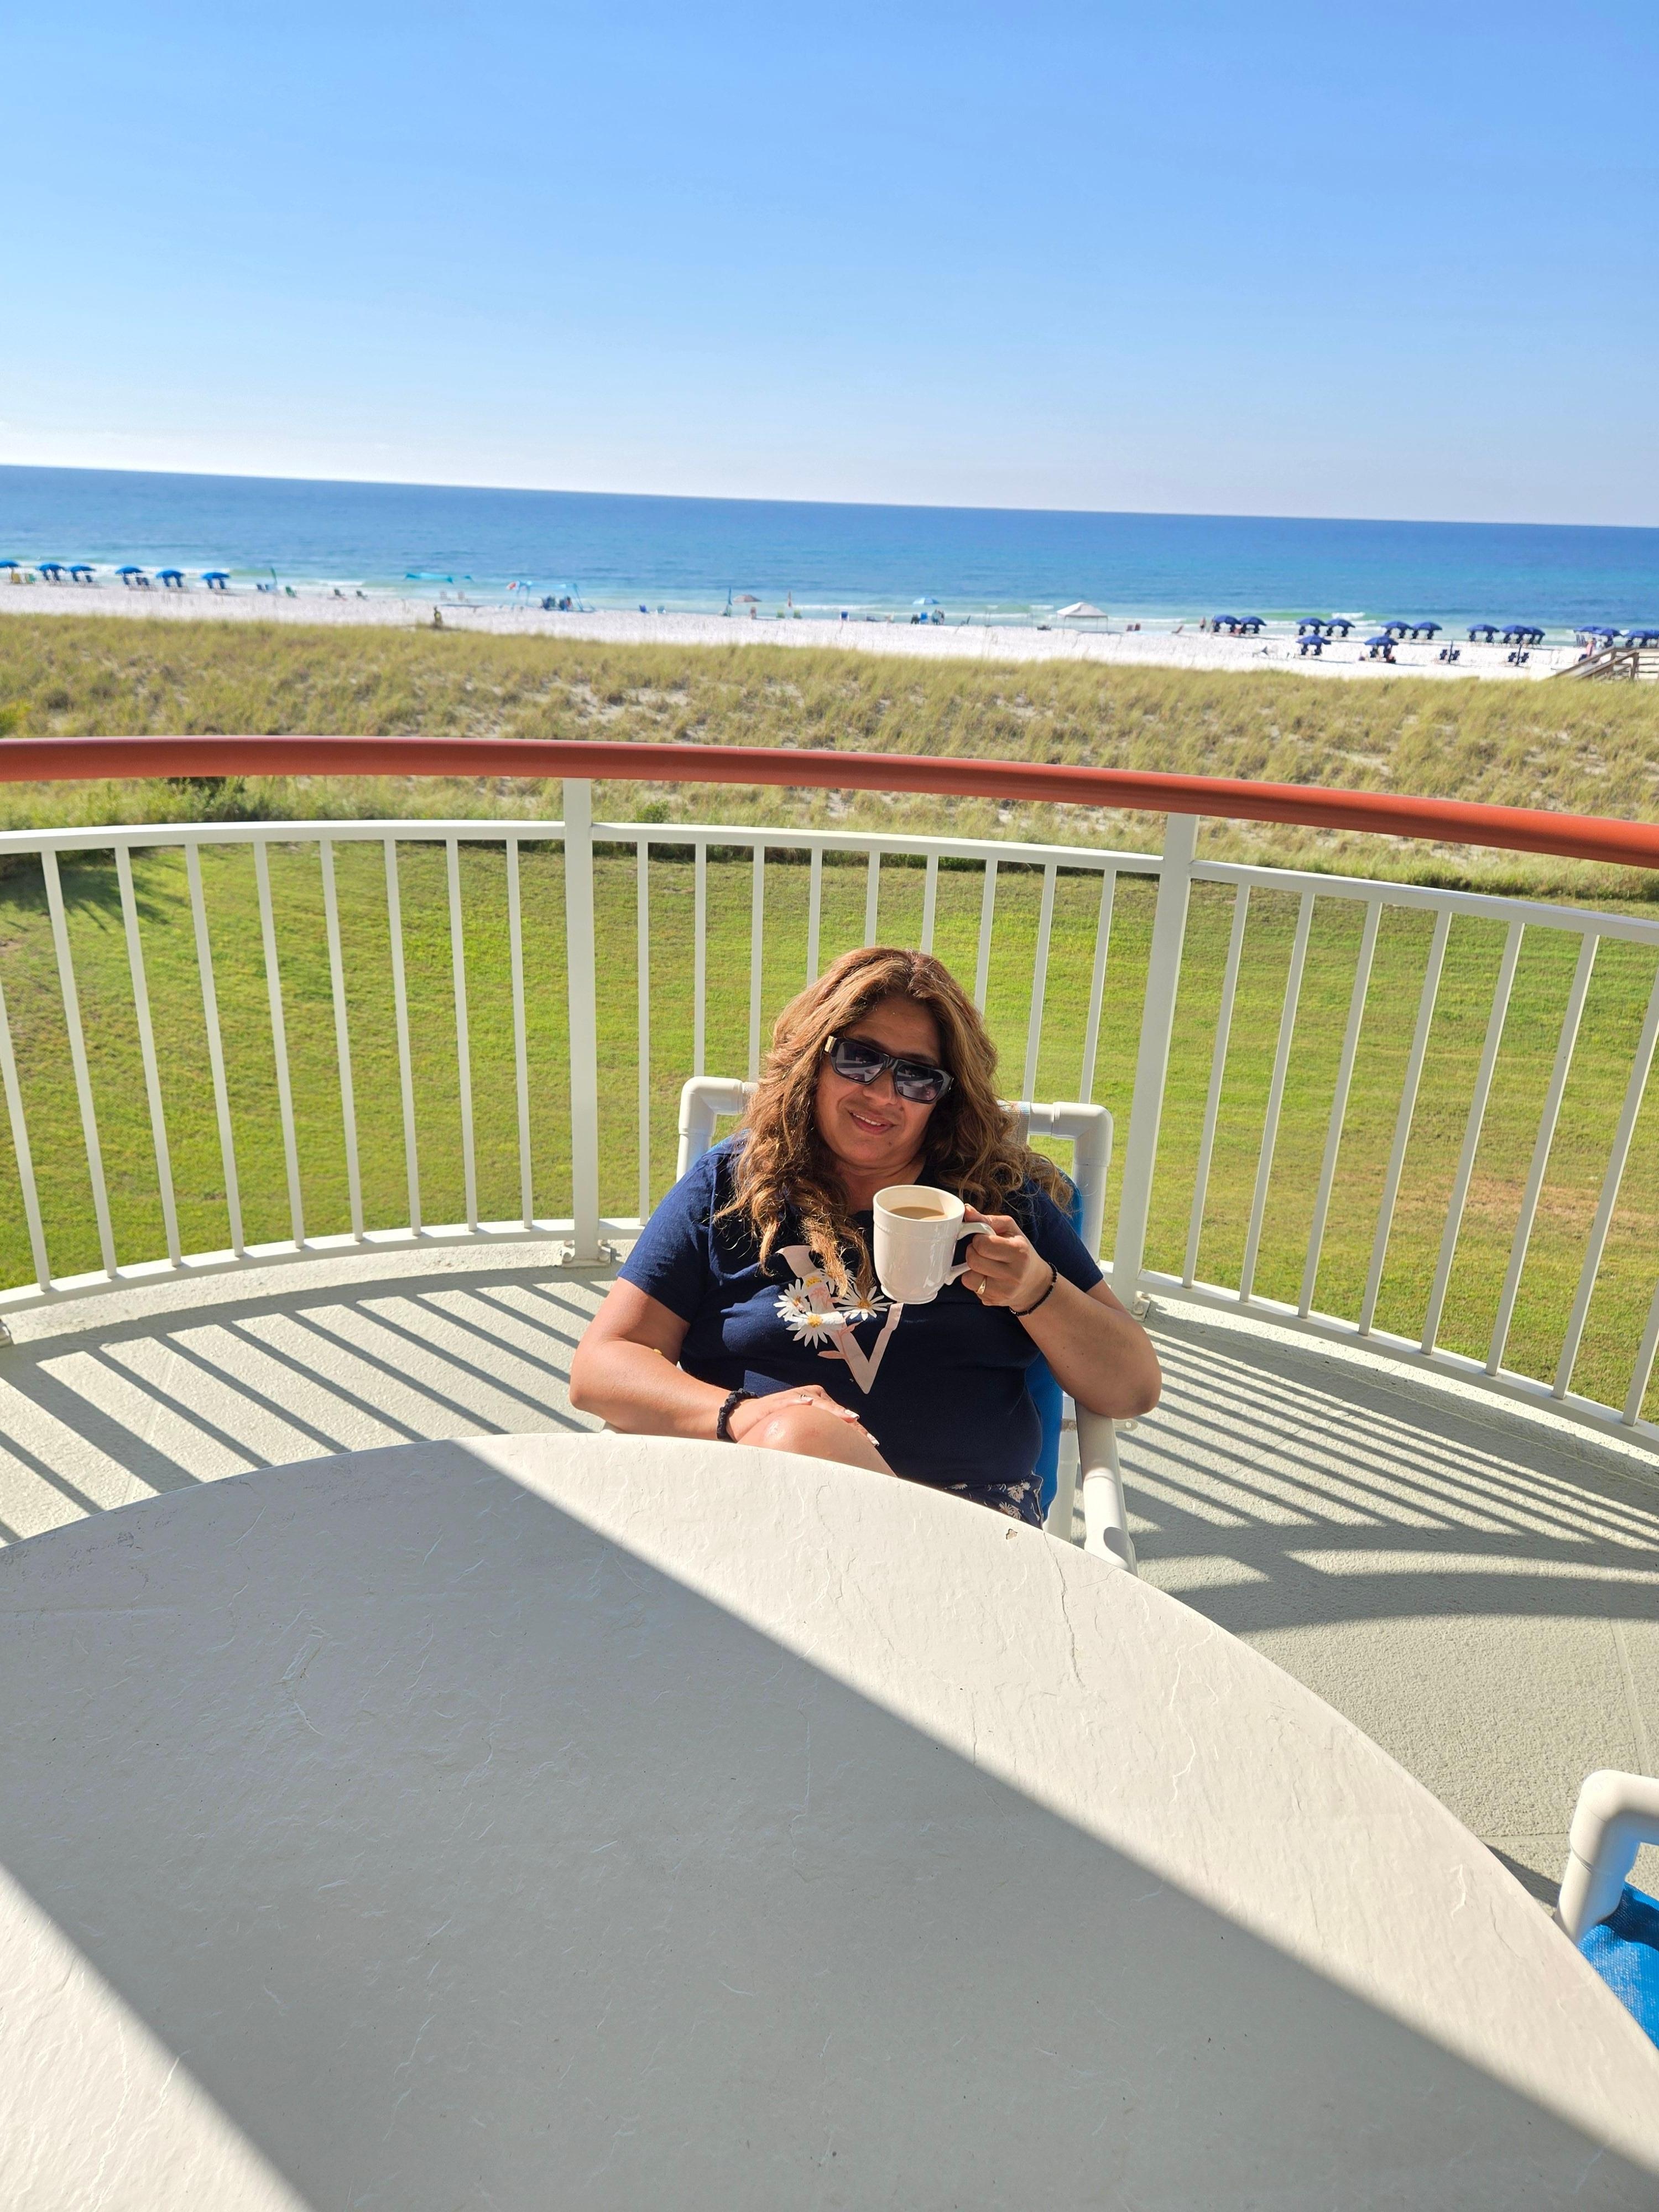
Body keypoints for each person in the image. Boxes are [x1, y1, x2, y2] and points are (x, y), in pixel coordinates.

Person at [570, 947, 1160, 1525]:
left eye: (918, 1077)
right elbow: (602, 1365)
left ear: (945, 1098)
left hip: (966, 1528)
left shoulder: (999, 1200)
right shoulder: (734, 1186)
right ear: (813, 1061)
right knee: (797, 1436)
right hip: (753, 1500)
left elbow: (1132, 1388)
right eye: (859, 1058)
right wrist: (744, 1417)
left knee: (799, 1438)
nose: (883, 1094)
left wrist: (1037, 1291)